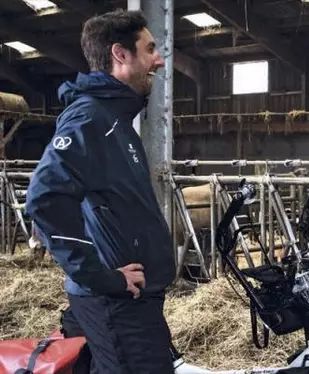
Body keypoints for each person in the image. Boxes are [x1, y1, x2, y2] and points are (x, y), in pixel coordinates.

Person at [25, 10, 175, 374]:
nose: (159, 59)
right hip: (116, 302)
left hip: (132, 300)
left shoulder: (115, 120)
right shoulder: (90, 119)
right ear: (120, 54)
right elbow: (44, 198)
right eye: (150, 49)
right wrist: (101, 276)